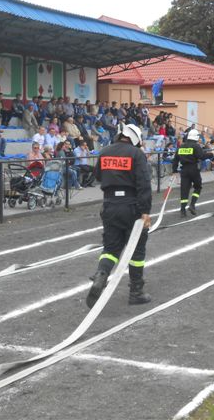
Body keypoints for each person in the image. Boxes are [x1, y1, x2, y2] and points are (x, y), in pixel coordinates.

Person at [86, 123, 152, 308]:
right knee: (136, 251)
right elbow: (144, 184)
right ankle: (136, 292)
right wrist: (145, 211)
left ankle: (101, 274)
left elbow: (97, 175)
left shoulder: (105, 151)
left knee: (111, 248)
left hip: (110, 205)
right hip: (131, 206)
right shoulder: (136, 154)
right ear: (135, 139)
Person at [172, 129, 214, 217]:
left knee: (184, 190)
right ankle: (192, 205)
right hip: (193, 169)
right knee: (198, 187)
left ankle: (183, 210)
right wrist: (211, 154)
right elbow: (202, 156)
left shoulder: (181, 147)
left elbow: (175, 160)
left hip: (184, 170)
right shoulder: (196, 146)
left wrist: (174, 171)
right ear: (196, 137)